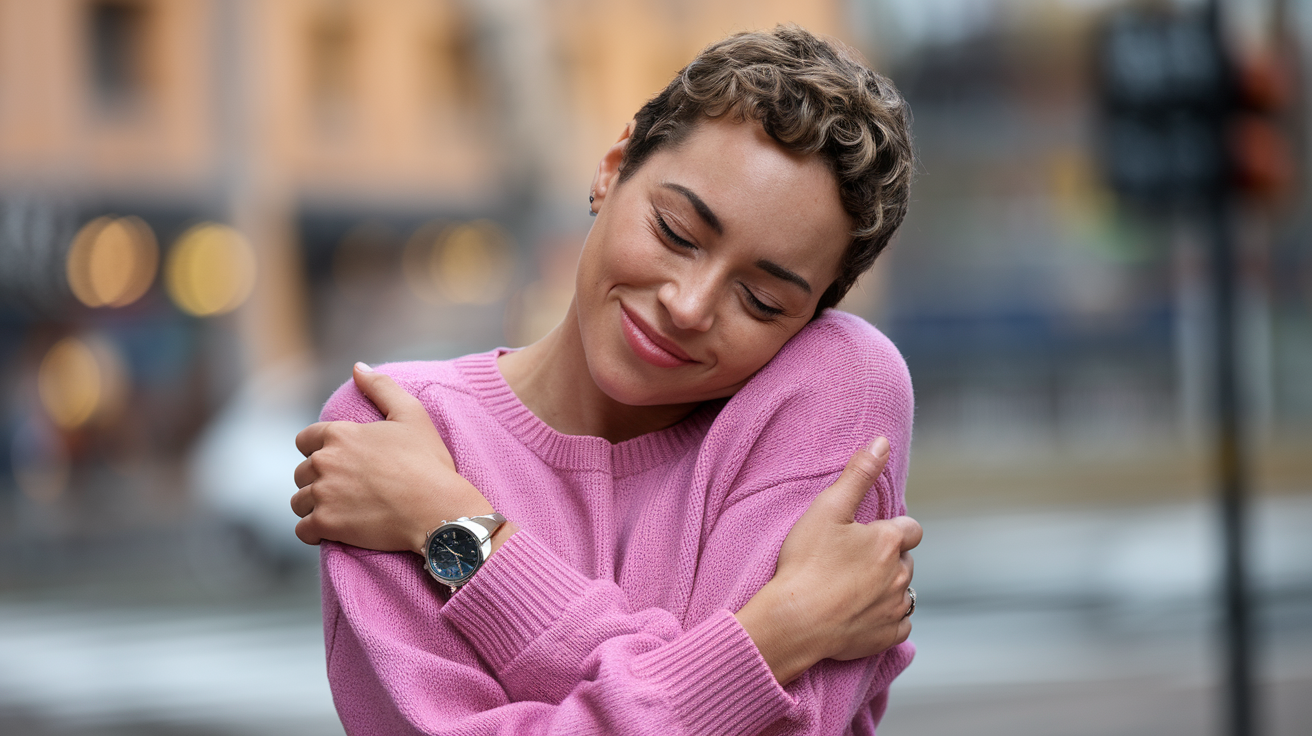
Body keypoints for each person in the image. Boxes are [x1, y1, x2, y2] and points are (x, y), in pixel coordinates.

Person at [290, 25, 922, 735]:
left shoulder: (836, 387)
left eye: (762, 301)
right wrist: (779, 631)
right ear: (612, 166)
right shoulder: (395, 431)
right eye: (677, 232)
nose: (688, 306)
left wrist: (451, 527)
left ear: (808, 318)